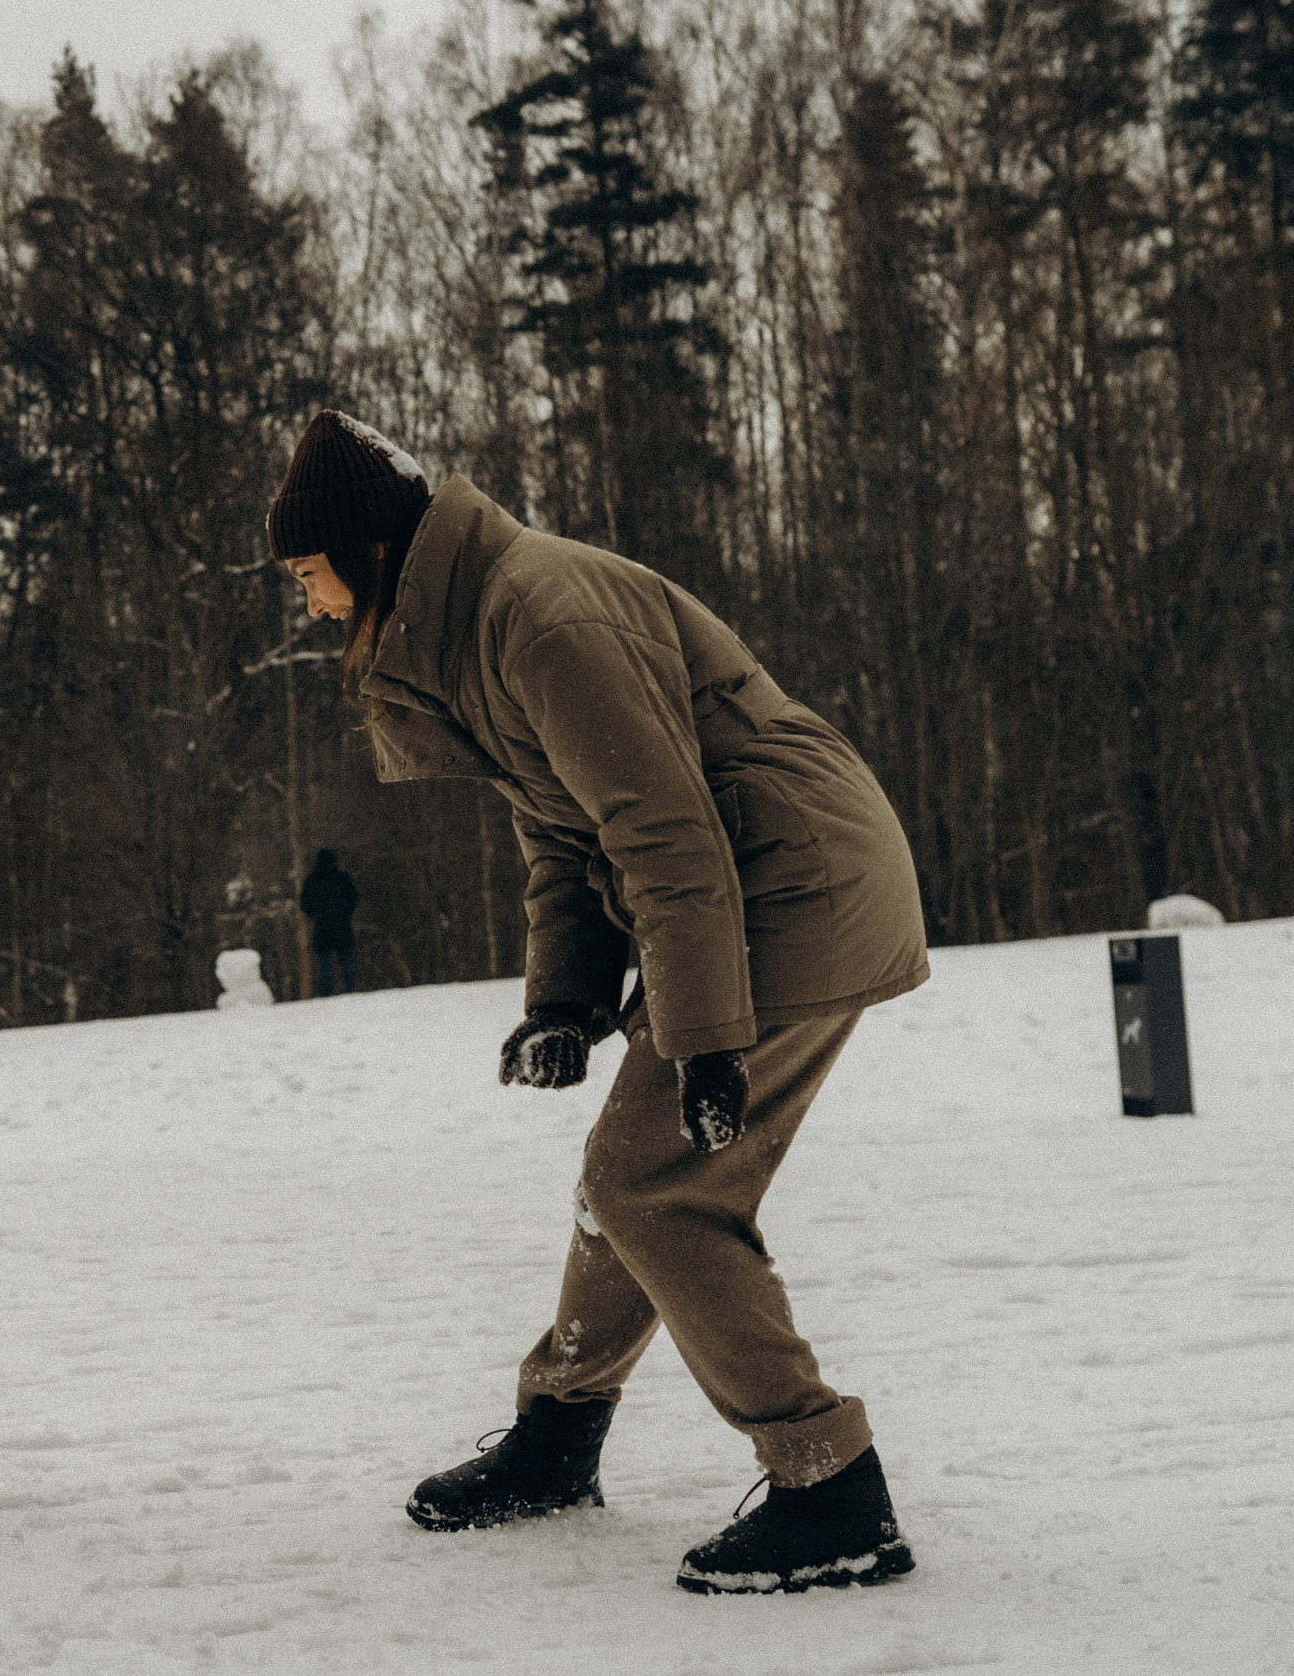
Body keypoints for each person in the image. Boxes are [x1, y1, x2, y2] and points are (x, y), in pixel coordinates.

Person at [266, 410, 929, 1595]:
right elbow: (563, 833)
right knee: (620, 1180)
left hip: (787, 882)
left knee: (654, 1185)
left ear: (370, 555)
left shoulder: (539, 613)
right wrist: (564, 1001)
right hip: (750, 884)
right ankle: (556, 1435)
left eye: (309, 577)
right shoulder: (478, 625)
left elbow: (666, 831)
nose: (308, 608)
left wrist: (708, 1040)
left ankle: (827, 1484)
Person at [299, 848, 361, 996]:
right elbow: (353, 898)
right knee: (346, 960)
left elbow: (304, 903)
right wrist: (346, 912)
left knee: (324, 963)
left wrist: (315, 914)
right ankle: (350, 989)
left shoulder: (312, 880)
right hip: (342, 925)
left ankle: (326, 993)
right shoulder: (342, 877)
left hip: (322, 927)